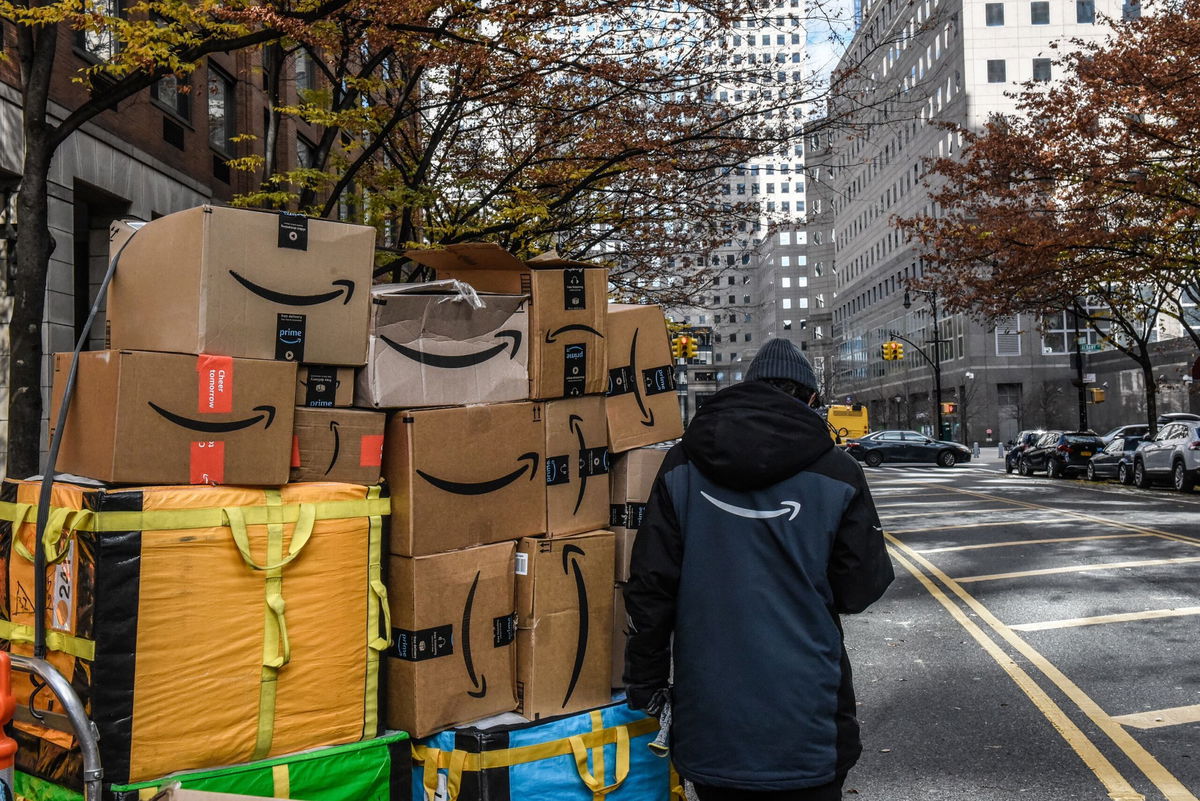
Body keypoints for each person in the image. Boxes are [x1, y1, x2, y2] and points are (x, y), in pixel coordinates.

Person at [623, 338, 894, 800]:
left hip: (711, 713)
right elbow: (858, 588)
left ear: (749, 390)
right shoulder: (838, 471)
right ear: (809, 398)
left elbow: (651, 587)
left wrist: (645, 681)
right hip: (807, 711)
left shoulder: (681, 465)